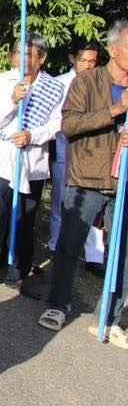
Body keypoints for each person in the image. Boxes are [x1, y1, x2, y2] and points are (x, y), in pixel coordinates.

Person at [39, 20, 128, 345]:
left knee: (122, 253)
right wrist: (115, 110)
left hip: (123, 181)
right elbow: (70, 124)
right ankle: (58, 304)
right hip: (87, 177)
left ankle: (111, 317)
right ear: (113, 49)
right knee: (70, 246)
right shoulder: (88, 81)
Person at [0, 35, 65, 293]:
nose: (22, 59)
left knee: (25, 218)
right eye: (18, 53)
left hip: (33, 161)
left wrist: (32, 136)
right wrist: (13, 100)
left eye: (29, 54)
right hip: (4, 159)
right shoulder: (3, 81)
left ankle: (17, 270)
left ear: (42, 58)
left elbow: (56, 124)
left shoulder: (54, 88)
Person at [49, 41, 101, 256]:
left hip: (94, 154)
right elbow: (53, 121)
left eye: (93, 61)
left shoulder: (101, 84)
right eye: (84, 60)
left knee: (94, 205)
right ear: (73, 59)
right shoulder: (59, 84)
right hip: (65, 152)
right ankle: (56, 245)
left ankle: (93, 255)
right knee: (61, 201)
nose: (88, 66)